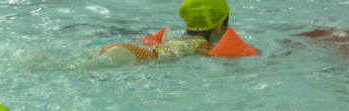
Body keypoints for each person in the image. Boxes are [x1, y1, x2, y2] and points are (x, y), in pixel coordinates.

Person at [98, 0, 256, 63]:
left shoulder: (175, 40)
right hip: (139, 55)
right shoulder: (204, 47)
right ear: (220, 26)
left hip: (127, 49)